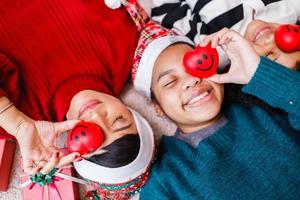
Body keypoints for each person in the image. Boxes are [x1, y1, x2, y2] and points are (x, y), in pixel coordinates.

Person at [128, 16, 300, 198]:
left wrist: (257, 73)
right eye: (170, 82)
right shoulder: (165, 183)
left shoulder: (266, 104)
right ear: (158, 108)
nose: (192, 80)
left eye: (199, 64)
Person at [0, 1, 156, 197]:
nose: (96, 115)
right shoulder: (125, 42)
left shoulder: (18, 117)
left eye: (88, 137)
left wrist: (19, 124)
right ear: (132, 112)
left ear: (72, 152)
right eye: (118, 120)